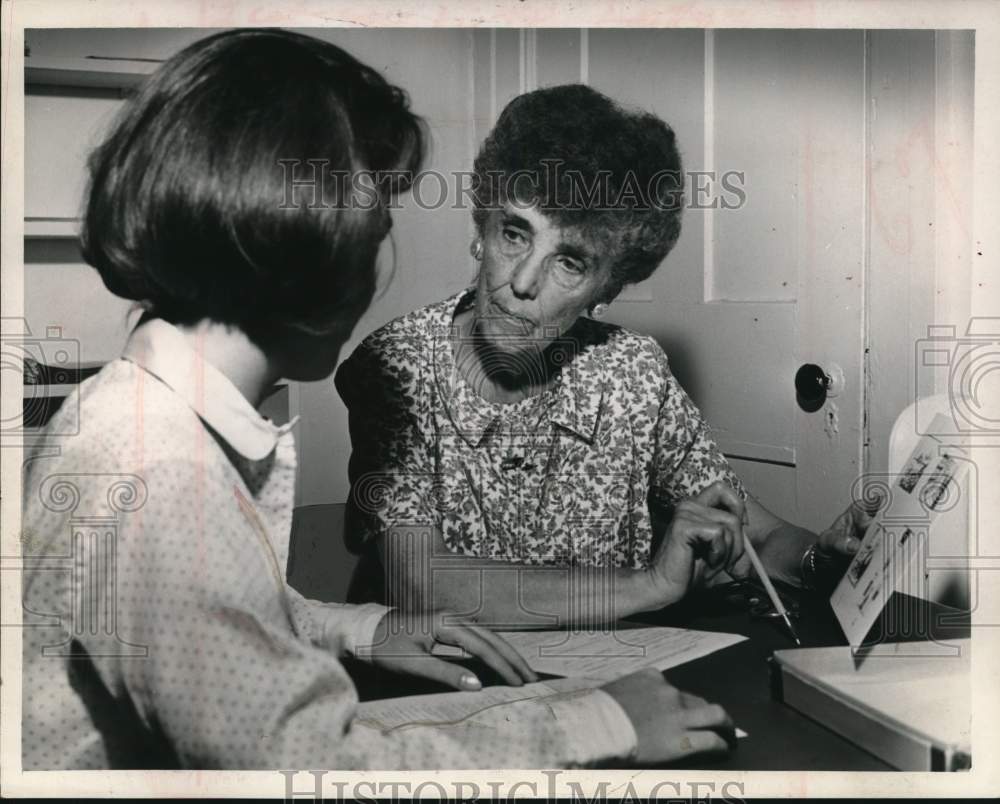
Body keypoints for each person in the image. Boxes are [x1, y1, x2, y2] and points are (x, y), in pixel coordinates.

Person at [21, 29, 736, 770]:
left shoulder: (136, 417)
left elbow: (218, 615)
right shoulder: (163, 472)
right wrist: (595, 726)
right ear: (305, 245)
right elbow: (310, 769)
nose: (377, 269)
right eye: (377, 228)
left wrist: (368, 630)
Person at [337, 83, 870, 626]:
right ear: (482, 227)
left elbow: (758, 533)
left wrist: (818, 561)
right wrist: (649, 586)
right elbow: (419, 584)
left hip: (602, 681)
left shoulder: (632, 373)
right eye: (515, 234)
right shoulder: (398, 365)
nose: (522, 282)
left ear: (607, 290)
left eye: (569, 263)